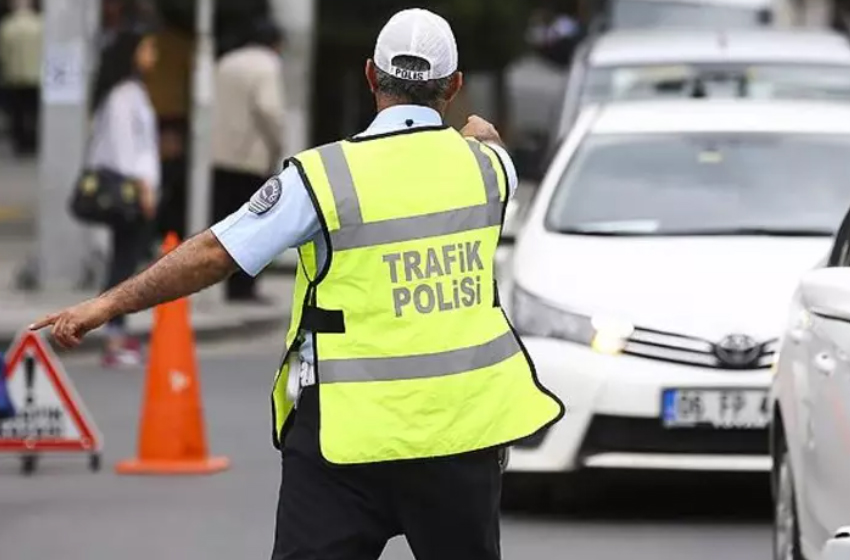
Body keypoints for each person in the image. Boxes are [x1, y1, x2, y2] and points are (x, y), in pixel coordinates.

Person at [31, 8, 564, 559]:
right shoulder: (490, 170)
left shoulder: (323, 178)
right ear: (454, 86)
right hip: (461, 436)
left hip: (345, 440)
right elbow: (488, 139)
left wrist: (106, 303)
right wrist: (477, 133)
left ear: (368, 75)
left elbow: (216, 252)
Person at [84, 28, 160, 368]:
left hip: (135, 189)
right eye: (148, 47)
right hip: (128, 192)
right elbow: (124, 148)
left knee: (125, 261)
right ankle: (113, 335)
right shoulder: (122, 95)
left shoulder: (132, 91)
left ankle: (117, 331)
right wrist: (143, 187)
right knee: (122, 264)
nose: (153, 54)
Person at [211, 19, 286, 302]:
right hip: (251, 158)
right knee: (254, 225)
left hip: (220, 155)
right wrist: (278, 144)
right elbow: (269, 109)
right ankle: (244, 288)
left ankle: (228, 284)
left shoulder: (226, 62)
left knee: (226, 223)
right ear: (276, 44)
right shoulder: (267, 65)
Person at [0, 0, 42, 156]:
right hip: (36, 75)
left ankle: (20, 142)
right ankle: (33, 140)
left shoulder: (7, 26)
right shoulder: (40, 25)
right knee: (34, 111)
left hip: (15, 75)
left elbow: (4, 54)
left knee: (17, 112)